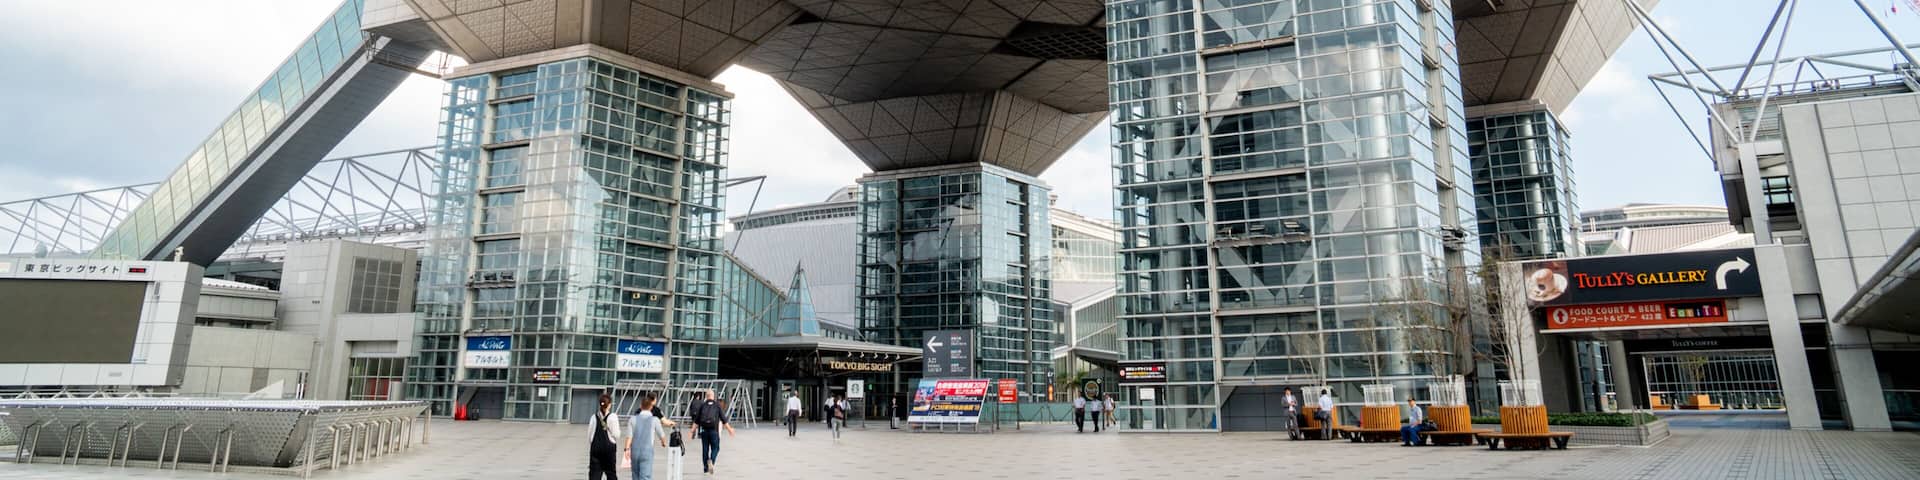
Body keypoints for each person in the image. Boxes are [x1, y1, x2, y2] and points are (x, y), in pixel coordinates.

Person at [688, 389, 735, 475]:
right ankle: (711, 461)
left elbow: (696, 420)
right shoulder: (717, 405)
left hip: (704, 431)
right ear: (713, 396)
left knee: (705, 449)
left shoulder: (702, 405)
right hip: (714, 431)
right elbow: (723, 419)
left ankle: (706, 468)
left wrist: (692, 431)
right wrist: (730, 429)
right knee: (716, 448)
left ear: (706, 396)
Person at [625, 395, 668, 480]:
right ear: (651, 407)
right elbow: (662, 435)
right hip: (647, 451)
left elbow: (629, 437)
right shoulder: (654, 420)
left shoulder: (632, 419)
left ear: (641, 406)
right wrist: (663, 442)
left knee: (635, 475)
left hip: (634, 451)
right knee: (645, 476)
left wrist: (626, 449)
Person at [587, 393, 623, 480]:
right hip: (609, 449)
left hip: (596, 449)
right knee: (611, 473)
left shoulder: (594, 417)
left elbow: (589, 435)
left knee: (594, 474)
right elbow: (617, 435)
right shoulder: (613, 417)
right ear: (609, 404)